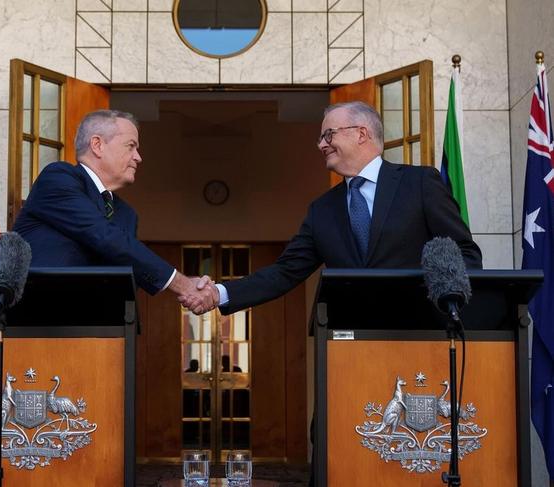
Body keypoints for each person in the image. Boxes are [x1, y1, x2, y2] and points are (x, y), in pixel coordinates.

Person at [179, 101, 482, 486]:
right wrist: (218, 293)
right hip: (347, 356)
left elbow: (465, 253)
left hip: (418, 347)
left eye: (328, 134)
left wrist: (441, 294)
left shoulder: (419, 183)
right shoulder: (323, 210)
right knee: (332, 448)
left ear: (362, 134)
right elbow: (284, 272)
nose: (321, 144)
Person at [13, 109, 217, 307]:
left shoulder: (126, 213)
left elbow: (127, 276)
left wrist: (191, 286)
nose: (138, 157)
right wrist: (182, 284)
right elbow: (104, 236)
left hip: (102, 331)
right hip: (39, 321)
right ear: (97, 145)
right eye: (131, 146)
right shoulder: (58, 178)